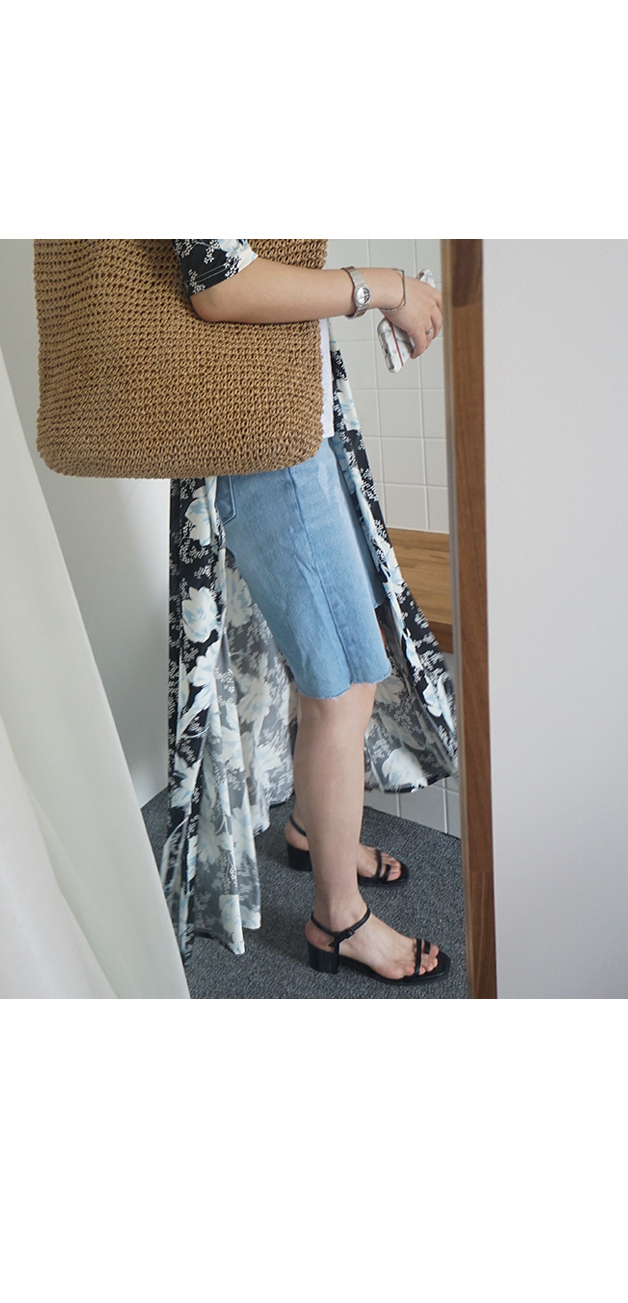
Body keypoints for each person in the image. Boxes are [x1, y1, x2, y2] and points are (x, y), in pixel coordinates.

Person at [173, 240, 449, 985]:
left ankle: (314, 830)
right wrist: (386, 287)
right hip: (269, 443)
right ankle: (338, 918)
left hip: (294, 428)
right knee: (342, 685)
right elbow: (220, 282)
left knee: (332, 668)